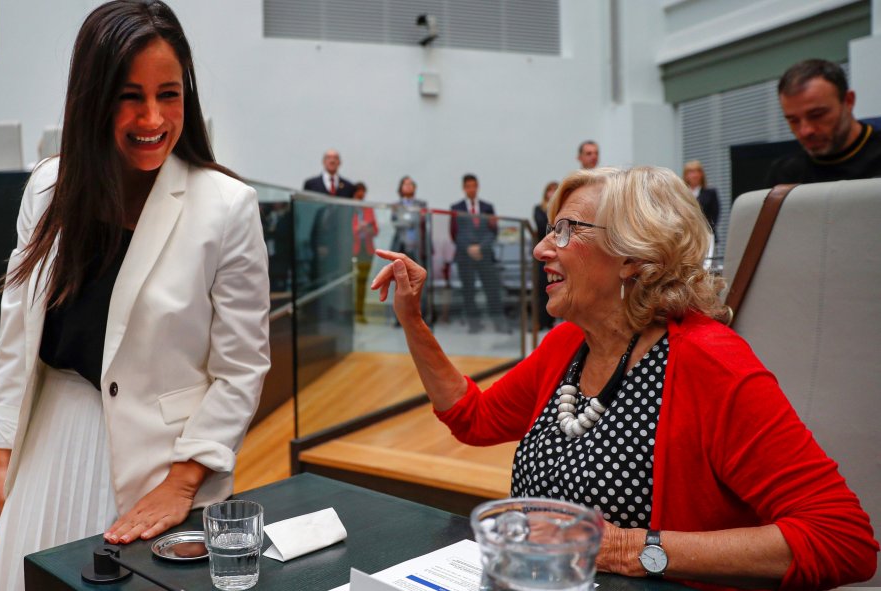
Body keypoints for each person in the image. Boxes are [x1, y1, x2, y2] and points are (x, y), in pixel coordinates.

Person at [371, 166, 877, 590]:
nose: (541, 250)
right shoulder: (569, 345)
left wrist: (625, 548)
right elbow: (473, 419)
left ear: (634, 256)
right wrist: (413, 321)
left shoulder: (710, 363)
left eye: (566, 230)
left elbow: (842, 540)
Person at [0, 2, 271, 589]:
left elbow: (241, 370)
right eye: (130, 96)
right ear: (92, 98)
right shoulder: (48, 188)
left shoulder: (226, 207)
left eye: (170, 94)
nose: (153, 117)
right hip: (48, 445)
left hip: (160, 467)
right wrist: (2, 457)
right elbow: (18, 334)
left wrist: (184, 481)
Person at [767, 58, 881, 185]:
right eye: (793, 120)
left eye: (817, 115)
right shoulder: (785, 174)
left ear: (848, 101)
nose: (805, 131)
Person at [450, 174, 505, 333]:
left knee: (492, 289)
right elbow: (454, 232)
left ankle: (498, 323)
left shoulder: (487, 207)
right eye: (468, 186)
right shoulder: (456, 208)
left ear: (477, 186)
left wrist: (481, 247)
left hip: (484, 254)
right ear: (464, 188)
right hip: (464, 256)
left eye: (474, 186)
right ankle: (474, 325)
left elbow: (493, 230)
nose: (471, 189)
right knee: (469, 290)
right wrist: (468, 248)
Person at [682, 160, 719, 266]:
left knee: (710, 267)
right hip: (687, 239)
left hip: (707, 236)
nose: (694, 175)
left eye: (697, 171)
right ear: (686, 175)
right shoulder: (682, 193)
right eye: (691, 172)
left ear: (702, 174)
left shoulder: (711, 193)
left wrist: (705, 231)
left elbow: (714, 216)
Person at [351, 182, 378, 323]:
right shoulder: (347, 208)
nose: (360, 196)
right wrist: (357, 228)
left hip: (366, 250)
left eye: (363, 193)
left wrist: (366, 228)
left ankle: (359, 312)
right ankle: (347, 313)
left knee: (362, 283)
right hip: (351, 250)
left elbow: (375, 230)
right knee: (348, 284)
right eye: (358, 193)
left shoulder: (368, 210)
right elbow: (345, 229)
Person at [533, 181, 558, 330]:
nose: (552, 193)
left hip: (558, 252)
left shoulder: (563, 209)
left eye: (556, 190)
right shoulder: (538, 209)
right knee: (542, 288)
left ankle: (555, 322)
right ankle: (542, 322)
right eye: (550, 190)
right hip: (543, 255)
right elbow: (543, 226)